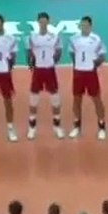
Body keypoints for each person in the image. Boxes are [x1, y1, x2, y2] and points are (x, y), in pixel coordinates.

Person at [27, 12, 65, 140]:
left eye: (45, 21)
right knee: (34, 100)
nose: (43, 23)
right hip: (38, 71)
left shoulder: (54, 37)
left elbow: (59, 51)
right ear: (38, 23)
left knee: (55, 99)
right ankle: (32, 128)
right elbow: (30, 53)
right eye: (40, 21)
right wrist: (31, 66)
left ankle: (57, 127)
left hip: (50, 71)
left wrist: (53, 62)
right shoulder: (33, 37)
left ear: (48, 22)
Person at [68, 16, 107, 140]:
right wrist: (78, 65)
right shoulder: (74, 39)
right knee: (77, 99)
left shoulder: (96, 39)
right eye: (82, 25)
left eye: (86, 25)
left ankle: (101, 127)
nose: (83, 27)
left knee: (97, 99)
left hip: (91, 74)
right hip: (78, 73)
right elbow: (72, 53)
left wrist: (94, 64)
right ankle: (76, 126)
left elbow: (102, 55)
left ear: (90, 26)